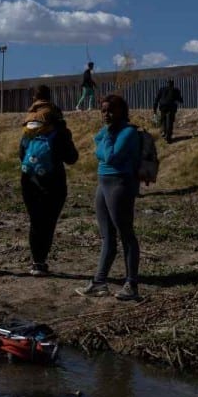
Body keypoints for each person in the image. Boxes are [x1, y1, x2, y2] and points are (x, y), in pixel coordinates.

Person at [76, 94, 141, 301]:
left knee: (126, 235)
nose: (106, 115)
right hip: (103, 183)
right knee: (107, 235)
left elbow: (111, 156)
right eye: (103, 111)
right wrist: (104, 144)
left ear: (122, 111)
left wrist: (104, 144)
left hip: (120, 184)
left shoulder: (128, 132)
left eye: (111, 110)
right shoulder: (107, 132)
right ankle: (99, 282)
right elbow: (100, 149)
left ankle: (131, 284)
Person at [19, 85, 78, 276]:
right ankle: (42, 261)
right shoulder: (58, 125)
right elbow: (71, 158)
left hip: (29, 179)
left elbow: (21, 154)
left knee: (36, 221)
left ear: (34, 99)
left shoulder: (28, 124)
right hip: (53, 180)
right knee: (49, 222)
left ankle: (36, 262)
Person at [153, 79, 183, 143]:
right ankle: (168, 137)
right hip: (171, 107)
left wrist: (154, 109)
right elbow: (180, 99)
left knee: (163, 120)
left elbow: (156, 99)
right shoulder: (176, 90)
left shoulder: (162, 89)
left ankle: (164, 132)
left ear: (167, 83)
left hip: (163, 107)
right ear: (173, 84)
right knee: (171, 121)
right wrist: (180, 100)